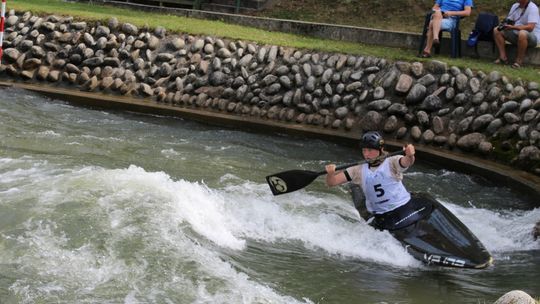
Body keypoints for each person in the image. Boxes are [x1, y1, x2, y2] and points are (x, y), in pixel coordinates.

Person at [325, 131, 416, 228]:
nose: (366, 154)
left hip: (403, 206)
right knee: (356, 191)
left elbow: (407, 162)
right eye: (364, 150)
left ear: (380, 149)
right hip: (381, 215)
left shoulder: (392, 161)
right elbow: (332, 182)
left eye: (370, 150)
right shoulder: (357, 169)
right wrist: (330, 174)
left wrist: (409, 155)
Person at [493, 0, 540, 69]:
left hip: (532, 37)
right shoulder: (515, 6)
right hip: (516, 34)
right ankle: (503, 58)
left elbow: (530, 28)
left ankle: (518, 62)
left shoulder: (532, 8)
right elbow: (510, 20)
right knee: (497, 30)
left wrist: (513, 27)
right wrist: (505, 25)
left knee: (522, 33)